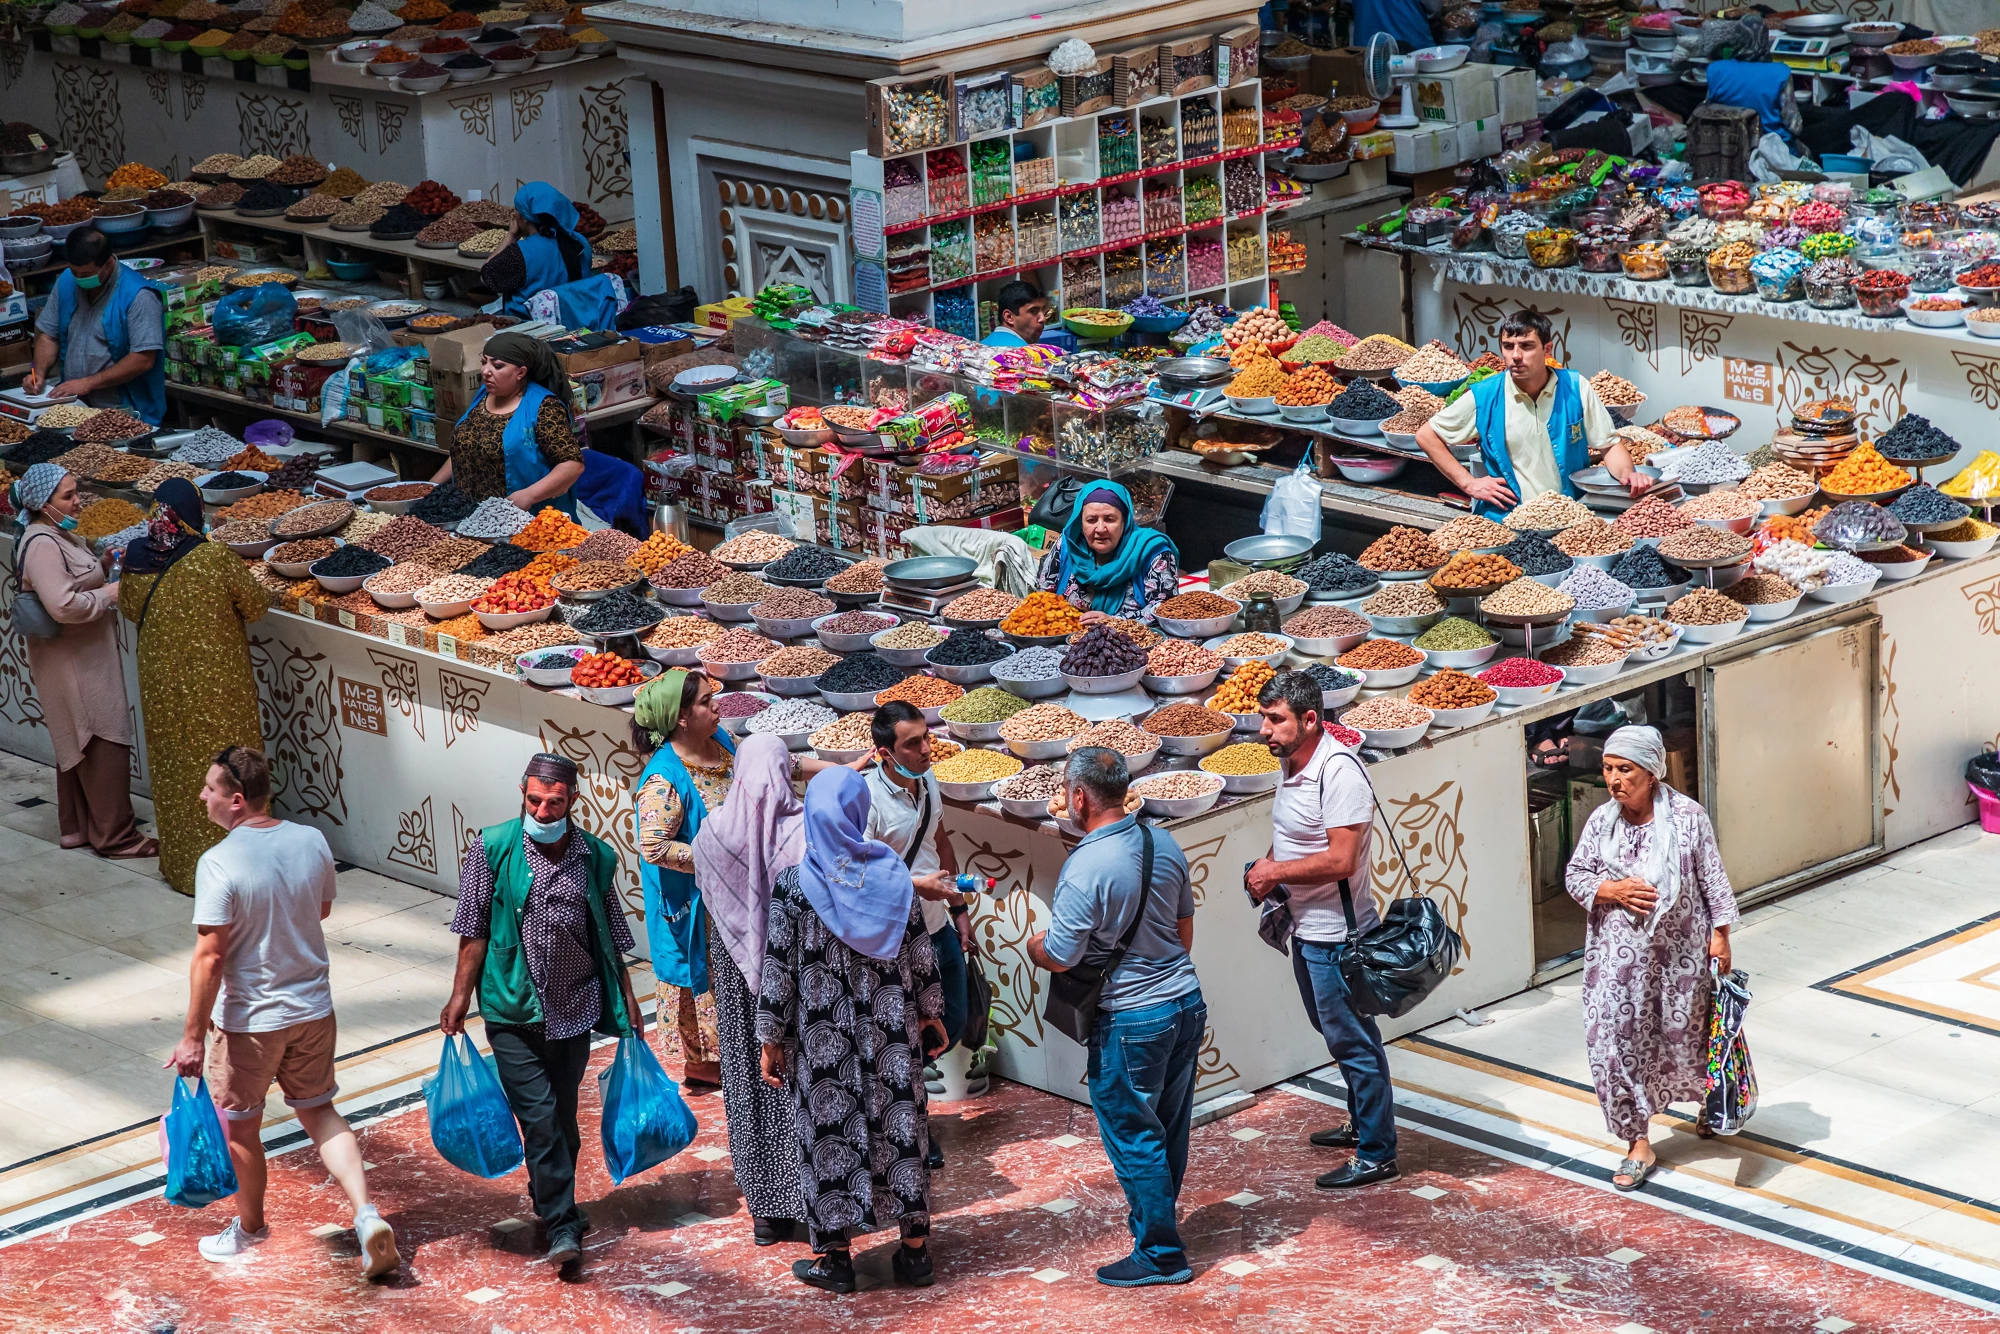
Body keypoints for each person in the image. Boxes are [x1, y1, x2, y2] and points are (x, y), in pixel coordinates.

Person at [168, 747, 397, 1277]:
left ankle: (249, 1230)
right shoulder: (312, 840)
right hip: (313, 1009)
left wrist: (192, 1036)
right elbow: (319, 908)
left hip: (250, 1023)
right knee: (320, 1112)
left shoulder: (218, 862)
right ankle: (366, 1216)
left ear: (237, 800)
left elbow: (210, 957)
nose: (202, 795)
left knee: (241, 1129)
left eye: (209, 788)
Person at [442, 753, 646, 1269]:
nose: (544, 810)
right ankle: (561, 1223)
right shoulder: (491, 848)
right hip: (512, 1008)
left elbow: (611, 938)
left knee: (561, 1117)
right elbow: (474, 931)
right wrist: (460, 997)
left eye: (555, 802)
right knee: (539, 1118)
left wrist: (628, 1001)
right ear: (522, 793)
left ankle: (550, 1195)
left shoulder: (595, 857)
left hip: (573, 1007)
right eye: (535, 799)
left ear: (572, 800)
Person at [757, 767, 945, 1294]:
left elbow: (778, 971)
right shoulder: (891, 877)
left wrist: (771, 1039)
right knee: (902, 1127)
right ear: (860, 812)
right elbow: (921, 950)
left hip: (822, 1038)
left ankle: (836, 1260)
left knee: (827, 1135)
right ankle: (914, 1255)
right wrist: (930, 1012)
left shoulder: (794, 887)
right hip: (890, 1030)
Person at [1027, 747, 1203, 1287]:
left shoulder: (1086, 866)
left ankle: (1159, 1252)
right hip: (1185, 1003)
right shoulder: (1162, 841)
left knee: (1133, 1134)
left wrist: (1035, 945)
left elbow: (1062, 955)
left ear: (1079, 797)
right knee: (1168, 1127)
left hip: (1131, 1019)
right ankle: (1157, 1223)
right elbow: (1184, 933)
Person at [1564, 724, 1737, 1192]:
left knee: (1687, 1032)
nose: (1615, 780)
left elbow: (1711, 877)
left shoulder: (1687, 817)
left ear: (1652, 774)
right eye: (1608, 769)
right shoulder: (1603, 822)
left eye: (1626, 770)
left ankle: (1710, 1100)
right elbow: (1576, 875)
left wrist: (1720, 936)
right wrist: (1611, 889)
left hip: (1679, 958)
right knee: (1613, 1041)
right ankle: (1637, 1141)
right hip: (1616, 965)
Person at [1245, 671, 1399, 1189]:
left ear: (1311, 720)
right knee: (1335, 1034)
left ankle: (1378, 1152)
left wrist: (1275, 873)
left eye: (1275, 720)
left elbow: (1341, 859)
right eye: (1263, 718)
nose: (1264, 730)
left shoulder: (1340, 774)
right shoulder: (1292, 764)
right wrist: (1267, 867)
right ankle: (1362, 1123)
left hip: (1339, 938)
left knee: (1354, 1042)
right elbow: (1292, 836)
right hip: (1307, 931)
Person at [118, 478, 269, 894]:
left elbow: (130, 608)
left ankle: (187, 869)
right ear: (193, 512)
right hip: (220, 685)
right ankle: (241, 869)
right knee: (232, 768)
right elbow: (256, 606)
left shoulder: (134, 556)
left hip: (162, 684)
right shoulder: (214, 557)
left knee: (175, 770)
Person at [689, 732, 808, 1246]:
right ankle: (805, 1197)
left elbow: (715, 903)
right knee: (794, 1081)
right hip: (793, 983)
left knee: (745, 1080)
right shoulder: (802, 832)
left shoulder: (713, 833)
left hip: (735, 982)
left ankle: (763, 1208)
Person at [9, 463, 154, 857]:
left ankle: (78, 828)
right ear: (42, 504)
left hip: (79, 654)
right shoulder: (41, 543)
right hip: (73, 658)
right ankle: (117, 837)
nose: (78, 501)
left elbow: (72, 580)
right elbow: (62, 604)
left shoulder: (58, 534)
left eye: (76, 492)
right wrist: (109, 593)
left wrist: (103, 565)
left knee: (76, 736)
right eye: (67, 496)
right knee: (100, 734)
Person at [863, 701, 982, 1152]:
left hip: (936, 925)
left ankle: (908, 1107)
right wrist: (916, 887)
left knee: (949, 1018)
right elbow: (862, 876)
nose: (926, 750)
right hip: (895, 934)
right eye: (912, 744)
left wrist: (958, 907)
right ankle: (913, 1127)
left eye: (926, 738)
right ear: (885, 753)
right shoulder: (867, 801)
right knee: (905, 1032)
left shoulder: (927, 782)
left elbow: (940, 842)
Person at [1415, 309, 1646, 518]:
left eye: (1526, 346)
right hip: (1508, 520)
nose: (1515, 355)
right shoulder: (1485, 395)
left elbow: (1608, 444)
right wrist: (1468, 483)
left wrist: (1629, 474)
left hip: (1570, 517)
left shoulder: (1575, 388)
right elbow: (1426, 435)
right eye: (1508, 346)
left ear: (1547, 349)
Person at [632, 668, 734, 1089]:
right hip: (695, 905)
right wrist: (720, 858)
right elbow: (654, 847)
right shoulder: (663, 779)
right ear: (681, 718)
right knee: (704, 973)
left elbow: (774, 769)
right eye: (706, 702)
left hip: (732, 893)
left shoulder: (722, 743)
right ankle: (707, 1065)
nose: (717, 707)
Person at [429, 331, 583, 516]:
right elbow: (465, 447)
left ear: (521, 372)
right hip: (470, 517)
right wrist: (430, 487)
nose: (486, 371)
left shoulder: (543, 407)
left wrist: (529, 496)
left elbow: (572, 464)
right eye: (484, 362)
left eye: (497, 366)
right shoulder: (484, 395)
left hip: (525, 522)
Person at [26, 227, 167, 425]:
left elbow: (142, 359)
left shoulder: (139, 295)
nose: (79, 279)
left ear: (108, 264)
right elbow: (49, 334)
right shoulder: (67, 280)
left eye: (86, 274)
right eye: (74, 272)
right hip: (76, 406)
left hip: (125, 410)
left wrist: (88, 383)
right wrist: (38, 372)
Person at [1033, 479, 1179, 625]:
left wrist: (1116, 622)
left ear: (1124, 520)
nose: (1101, 529)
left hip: (1131, 643)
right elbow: (1043, 596)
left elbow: (1167, 609)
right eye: (1091, 520)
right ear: (1080, 522)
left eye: (1110, 519)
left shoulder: (1151, 551)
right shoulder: (1068, 545)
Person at [480, 181, 595, 317]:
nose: (514, 214)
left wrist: (510, 237)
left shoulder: (521, 252)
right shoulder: (579, 241)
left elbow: (486, 277)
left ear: (526, 217)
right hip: (576, 318)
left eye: (517, 209)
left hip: (533, 327)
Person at [982, 280, 1050, 346]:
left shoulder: (980, 346)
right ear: (1009, 317)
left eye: (1043, 310)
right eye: (1033, 311)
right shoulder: (1024, 354)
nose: (1043, 319)